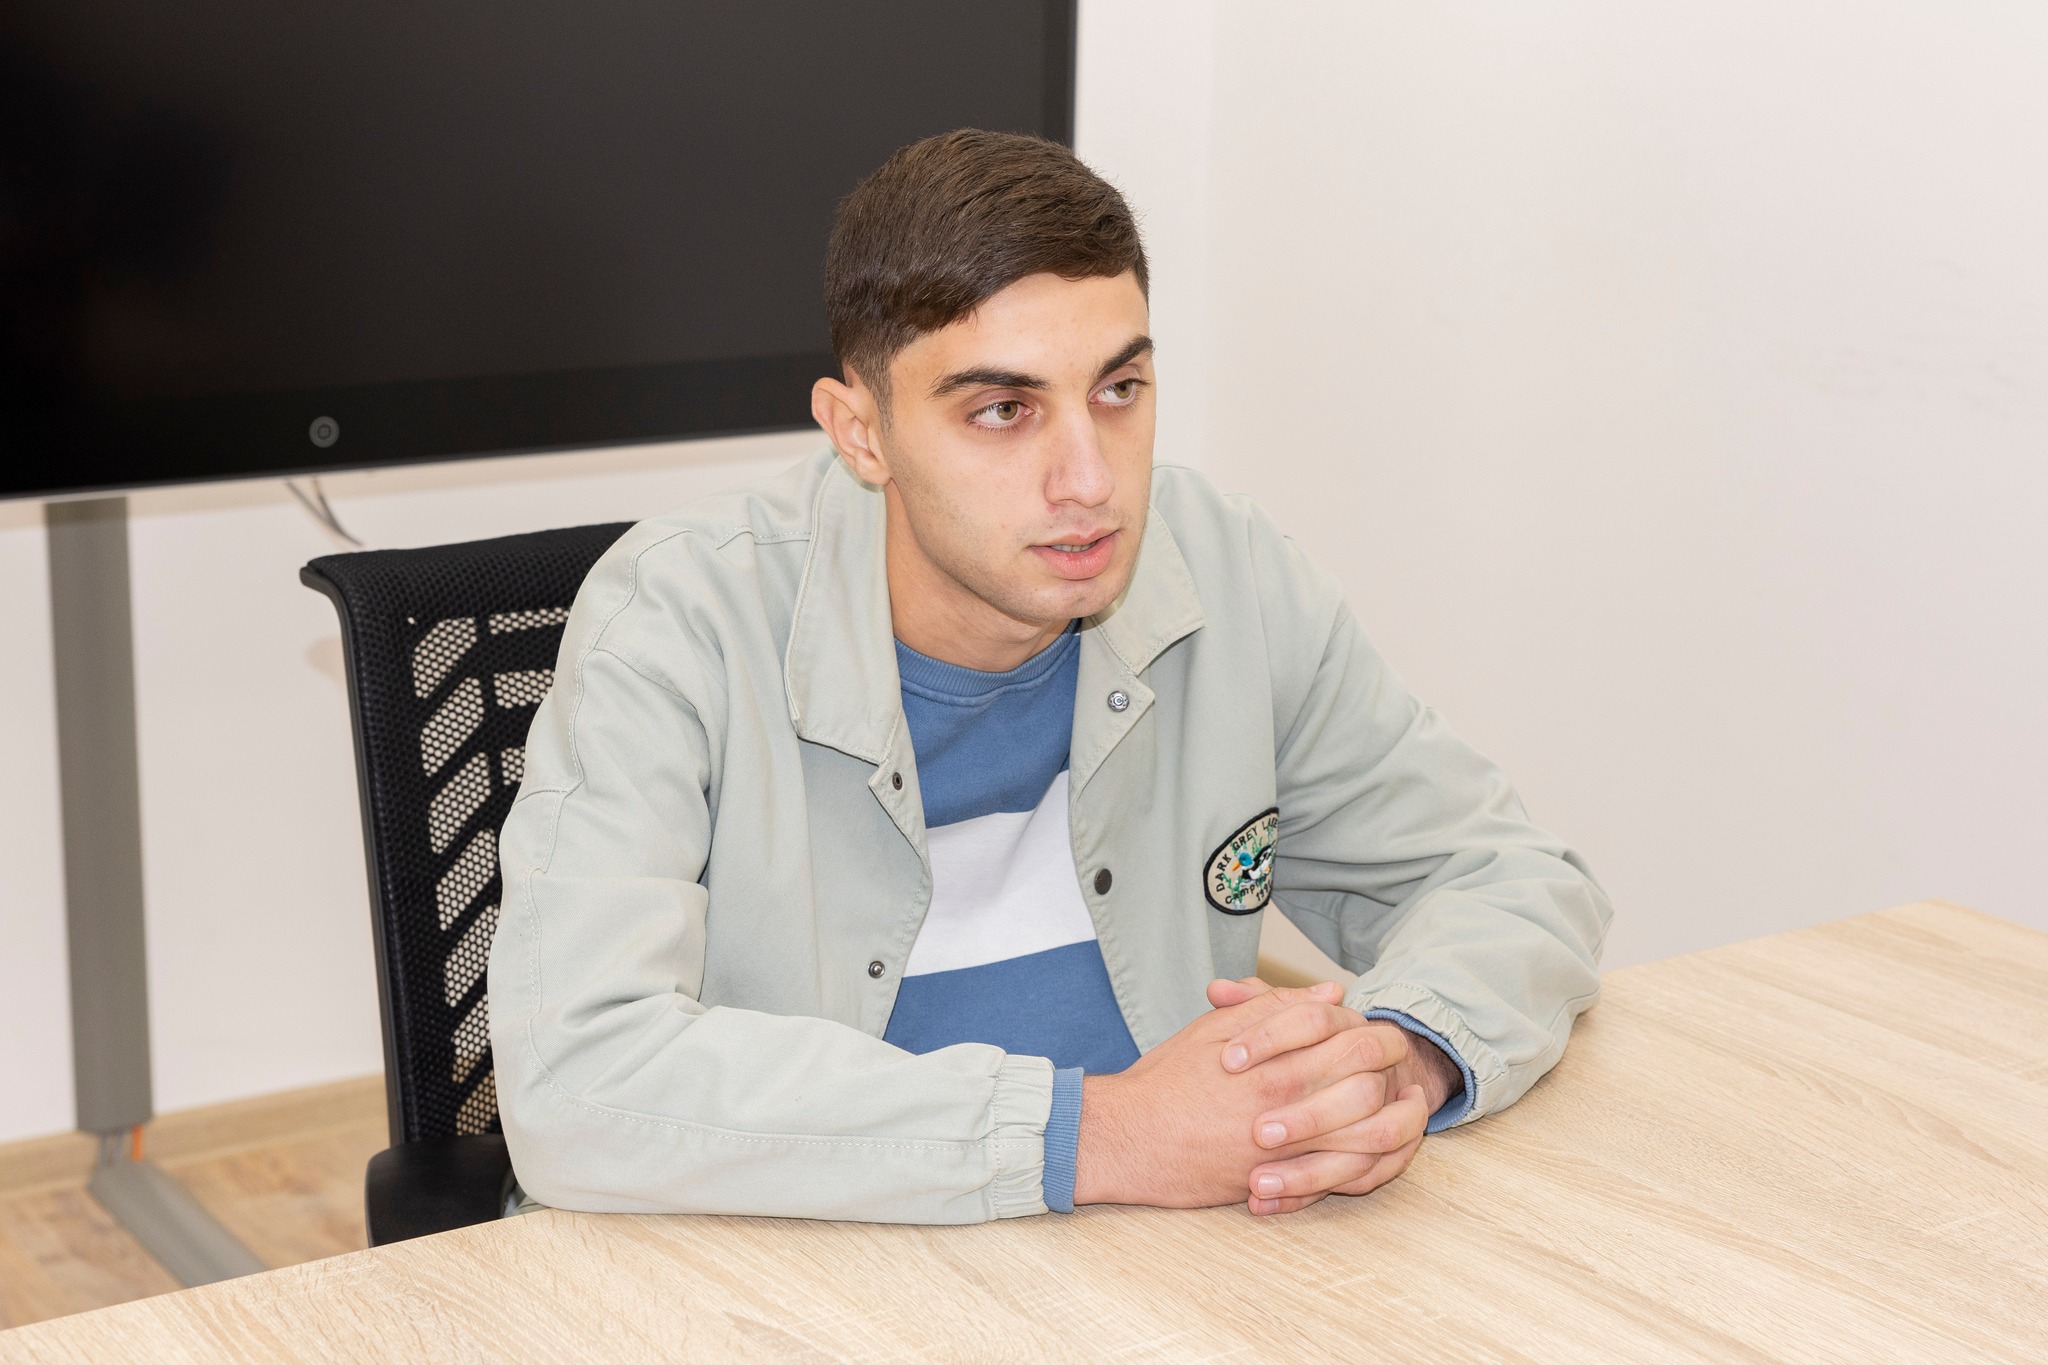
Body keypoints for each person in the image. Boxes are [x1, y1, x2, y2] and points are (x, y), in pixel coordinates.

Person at [489, 130, 1611, 1223]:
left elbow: (1509, 878)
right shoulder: (675, 619)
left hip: (1171, 1249)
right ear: (860, 432)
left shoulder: (1226, 569)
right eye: (1002, 410)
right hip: (789, 1268)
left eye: (1118, 390)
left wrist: (1393, 1061)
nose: (1089, 479)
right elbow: (577, 1080)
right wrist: (1101, 1133)